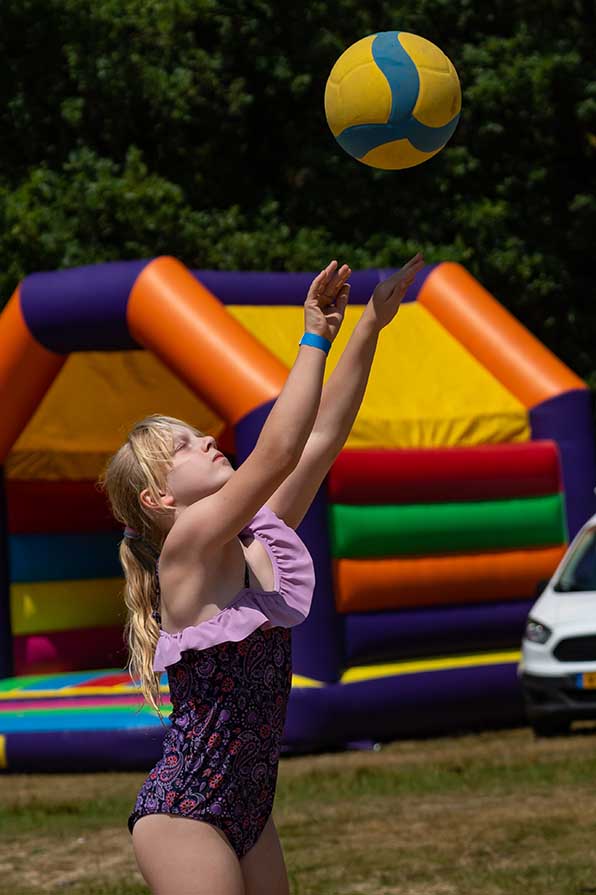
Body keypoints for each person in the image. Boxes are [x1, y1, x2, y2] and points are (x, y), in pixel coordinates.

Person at [98, 252, 424, 895]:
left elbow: (321, 437)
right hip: (186, 810)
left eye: (198, 434)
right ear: (159, 502)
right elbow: (276, 450)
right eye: (184, 448)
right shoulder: (185, 548)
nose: (207, 441)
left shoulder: (257, 536)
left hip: (250, 809)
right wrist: (310, 336)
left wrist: (366, 328)